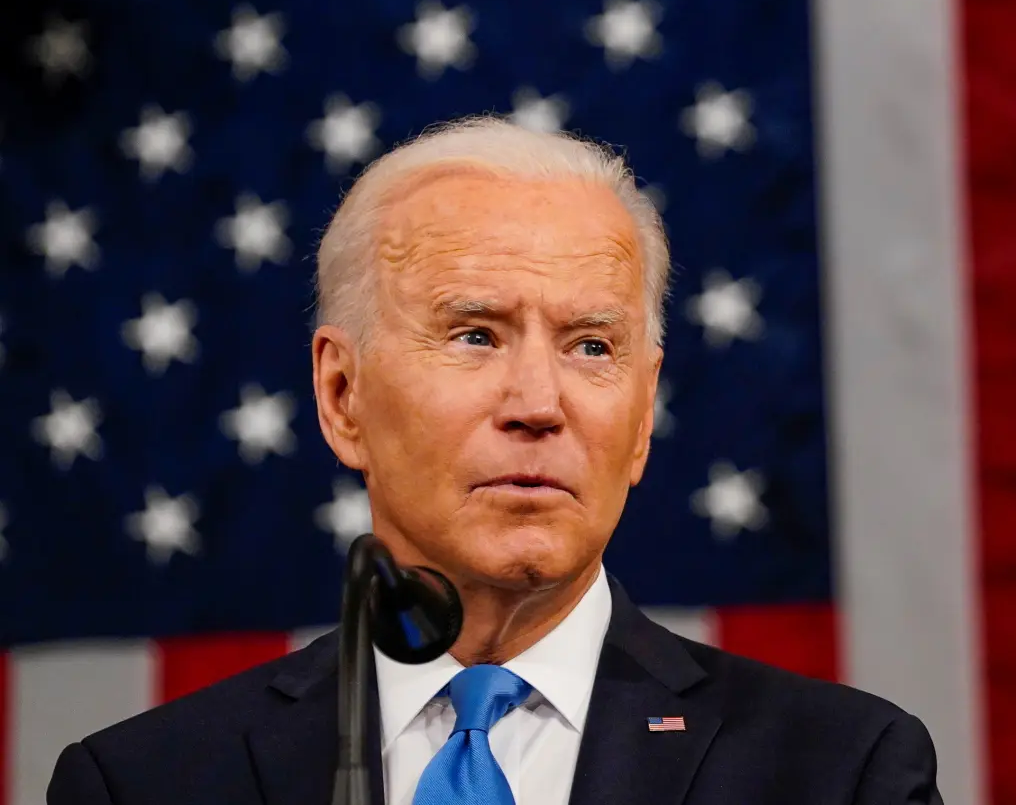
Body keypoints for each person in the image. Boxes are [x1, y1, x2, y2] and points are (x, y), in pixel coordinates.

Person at [46, 116, 943, 805]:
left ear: (642, 420)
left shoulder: (839, 774)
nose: (538, 404)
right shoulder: (145, 784)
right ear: (342, 395)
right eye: (475, 335)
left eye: (592, 347)